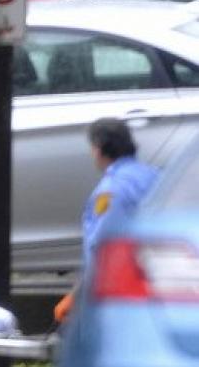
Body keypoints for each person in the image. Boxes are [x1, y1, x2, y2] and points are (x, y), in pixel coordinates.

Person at [53, 118, 159, 324]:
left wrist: (77, 296)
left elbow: (102, 249)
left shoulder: (110, 191)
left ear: (99, 149)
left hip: (124, 299)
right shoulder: (156, 176)